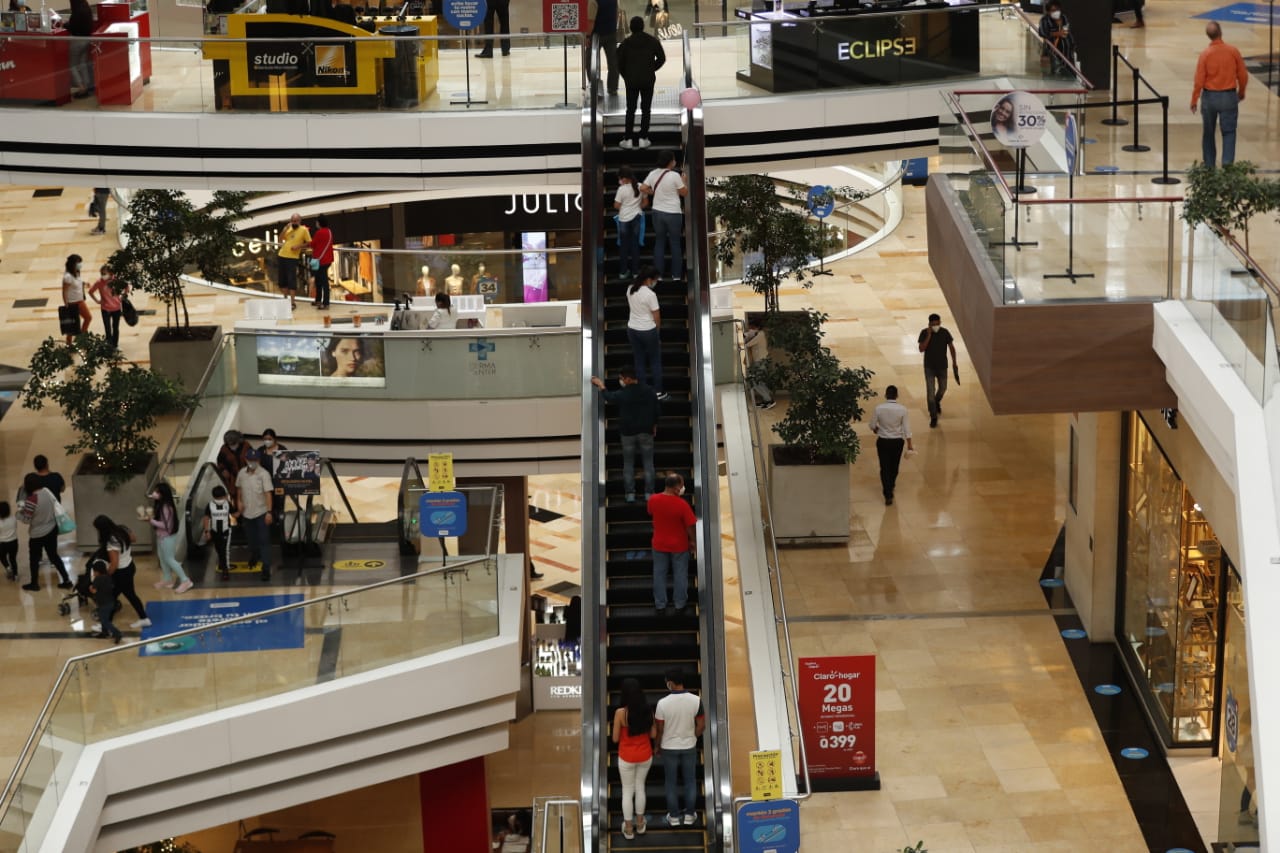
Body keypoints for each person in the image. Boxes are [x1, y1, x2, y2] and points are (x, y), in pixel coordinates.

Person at [591, 367, 660, 502]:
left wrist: (601, 385)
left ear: (628, 379)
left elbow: (609, 397)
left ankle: (630, 494)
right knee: (648, 463)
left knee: (628, 463)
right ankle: (649, 493)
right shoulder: (649, 391)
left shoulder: (623, 393)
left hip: (627, 433)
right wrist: (654, 424)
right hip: (646, 431)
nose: (621, 381)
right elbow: (657, 410)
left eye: (622, 378)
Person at [1191, 22, 1249, 168]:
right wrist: (1241, 92)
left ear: (1208, 36)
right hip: (1229, 96)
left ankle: (1210, 166)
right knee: (1229, 132)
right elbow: (1242, 75)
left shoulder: (1205, 54)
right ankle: (1227, 165)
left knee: (1208, 132)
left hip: (1210, 98)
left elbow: (1199, 80)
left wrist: (1194, 99)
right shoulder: (1233, 51)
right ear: (1221, 32)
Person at [654, 669, 704, 827]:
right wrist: (692, 736)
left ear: (671, 683)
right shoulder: (696, 700)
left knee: (671, 783)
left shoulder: (662, 703)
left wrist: (657, 746)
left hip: (669, 747)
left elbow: (660, 729)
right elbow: (701, 725)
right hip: (689, 745)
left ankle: (674, 817)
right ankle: (690, 815)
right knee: (690, 781)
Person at [612, 677, 655, 839]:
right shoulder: (648, 710)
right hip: (645, 755)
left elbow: (615, 739)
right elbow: (653, 734)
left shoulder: (620, 713)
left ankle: (629, 829)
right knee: (640, 788)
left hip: (626, 757)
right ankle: (640, 824)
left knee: (627, 791)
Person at [647, 472, 696, 612]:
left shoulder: (653, 500)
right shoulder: (682, 505)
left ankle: (660, 603)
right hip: (679, 546)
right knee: (680, 574)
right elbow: (689, 526)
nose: (682, 488)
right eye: (681, 486)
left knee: (659, 574)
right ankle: (680, 603)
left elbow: (650, 512)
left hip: (659, 544)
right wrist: (693, 542)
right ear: (676, 488)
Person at [92, 515, 151, 628]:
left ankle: (105, 624)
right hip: (129, 565)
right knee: (114, 596)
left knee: (118, 596)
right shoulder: (122, 529)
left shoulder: (111, 542)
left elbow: (114, 564)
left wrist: (106, 575)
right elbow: (134, 538)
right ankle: (106, 623)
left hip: (121, 572)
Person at [17, 473, 72, 592]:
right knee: (54, 556)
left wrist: (19, 513)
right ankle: (67, 580)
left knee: (34, 559)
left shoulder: (32, 500)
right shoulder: (47, 492)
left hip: (37, 534)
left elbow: (26, 520)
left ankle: (34, 584)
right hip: (52, 529)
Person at [617, 16, 665, 149]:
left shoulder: (626, 43)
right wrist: (651, 68)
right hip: (648, 80)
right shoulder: (652, 41)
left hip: (631, 80)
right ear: (643, 26)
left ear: (631, 28)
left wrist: (626, 75)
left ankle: (628, 139)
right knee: (646, 109)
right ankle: (643, 137)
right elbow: (662, 58)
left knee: (630, 109)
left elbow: (619, 63)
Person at [640, 150, 687, 281]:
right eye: (674, 160)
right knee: (675, 244)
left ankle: (658, 276)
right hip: (673, 214)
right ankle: (676, 275)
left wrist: (654, 191)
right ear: (670, 162)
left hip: (657, 213)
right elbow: (684, 193)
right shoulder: (675, 176)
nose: (675, 162)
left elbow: (642, 188)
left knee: (659, 243)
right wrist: (684, 180)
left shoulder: (653, 174)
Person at [626, 267, 666, 400]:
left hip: (632, 329)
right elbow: (657, 317)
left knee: (639, 360)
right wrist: (657, 333)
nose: (655, 282)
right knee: (655, 361)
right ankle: (658, 391)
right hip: (648, 330)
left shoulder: (630, 289)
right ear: (649, 279)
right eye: (655, 280)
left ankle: (642, 391)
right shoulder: (650, 295)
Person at [870, 385, 914, 506]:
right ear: (896, 396)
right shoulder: (902, 409)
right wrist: (910, 444)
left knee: (884, 467)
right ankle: (891, 485)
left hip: (883, 441)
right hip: (897, 442)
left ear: (885, 395)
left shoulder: (878, 408)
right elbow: (906, 428)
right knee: (894, 466)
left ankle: (887, 493)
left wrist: (877, 430)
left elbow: (872, 425)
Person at [237, 447, 275, 583]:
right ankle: (255, 554)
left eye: (255, 460)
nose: (252, 462)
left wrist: (269, 512)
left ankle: (266, 568)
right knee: (251, 539)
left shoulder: (264, 474)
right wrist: (238, 502)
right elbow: (239, 489)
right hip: (247, 514)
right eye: (250, 460)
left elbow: (268, 494)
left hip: (261, 512)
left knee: (264, 541)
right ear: (246, 460)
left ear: (258, 460)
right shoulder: (241, 473)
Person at [149, 482, 193, 593]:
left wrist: (151, 521)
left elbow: (166, 526)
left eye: (157, 492)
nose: (154, 493)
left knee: (169, 559)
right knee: (162, 558)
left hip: (167, 537)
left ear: (163, 494)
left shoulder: (166, 508)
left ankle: (185, 580)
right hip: (161, 537)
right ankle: (167, 579)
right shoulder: (161, 506)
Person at [917, 313, 957, 429]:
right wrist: (929, 336)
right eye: (934, 324)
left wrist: (954, 362)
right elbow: (921, 349)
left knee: (943, 388)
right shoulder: (924, 332)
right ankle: (933, 416)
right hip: (929, 367)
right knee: (930, 393)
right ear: (929, 324)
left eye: (938, 323)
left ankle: (936, 401)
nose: (936, 326)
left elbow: (951, 347)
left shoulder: (945, 332)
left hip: (942, 366)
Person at [614, 165, 645, 280]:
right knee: (635, 245)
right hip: (637, 217)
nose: (620, 180)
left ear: (625, 178)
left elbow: (616, 205)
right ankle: (636, 272)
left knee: (624, 247)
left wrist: (625, 206)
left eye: (621, 178)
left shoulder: (621, 189)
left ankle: (623, 272)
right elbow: (645, 203)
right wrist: (636, 207)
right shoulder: (641, 186)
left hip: (623, 220)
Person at [277, 213, 311, 309]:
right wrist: (284, 229)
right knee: (282, 280)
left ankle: (292, 302)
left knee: (291, 280)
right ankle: (285, 299)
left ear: (300, 221)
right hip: (282, 255)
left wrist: (298, 246)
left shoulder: (304, 230)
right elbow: (279, 241)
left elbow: (309, 242)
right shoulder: (288, 228)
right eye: (292, 221)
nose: (294, 222)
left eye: (296, 221)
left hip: (292, 258)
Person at [88, 264, 126, 348]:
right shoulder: (99, 282)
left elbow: (126, 287)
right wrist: (97, 301)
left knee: (115, 328)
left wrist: (122, 297)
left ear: (110, 273)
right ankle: (109, 346)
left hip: (116, 308)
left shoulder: (116, 280)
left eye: (104, 273)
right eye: (101, 273)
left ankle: (115, 345)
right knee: (107, 329)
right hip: (105, 309)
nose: (103, 275)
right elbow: (90, 291)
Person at [203, 485, 235, 582]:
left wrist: (241, 511)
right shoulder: (209, 505)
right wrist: (207, 531)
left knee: (224, 550)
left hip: (226, 530)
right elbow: (206, 518)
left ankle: (225, 570)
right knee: (218, 549)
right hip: (214, 531)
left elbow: (233, 514)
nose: (220, 499)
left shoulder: (228, 504)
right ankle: (222, 563)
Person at [588, 0, 620, 95]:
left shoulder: (593, 1)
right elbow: (617, 14)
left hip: (596, 35)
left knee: (591, 61)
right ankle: (613, 88)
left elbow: (591, 21)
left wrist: (587, 36)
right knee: (613, 62)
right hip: (611, 34)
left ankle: (595, 87)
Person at [743, 318, 775, 409]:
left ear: (755, 327)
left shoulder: (761, 335)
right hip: (759, 361)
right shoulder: (758, 334)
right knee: (759, 381)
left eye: (751, 328)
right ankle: (766, 400)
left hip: (761, 361)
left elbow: (748, 344)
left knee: (755, 381)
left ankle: (769, 400)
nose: (750, 329)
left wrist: (745, 338)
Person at [89, 558, 123, 644]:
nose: (93, 573)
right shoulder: (108, 577)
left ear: (97, 571)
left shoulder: (98, 579)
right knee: (103, 618)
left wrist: (90, 588)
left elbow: (93, 590)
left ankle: (117, 633)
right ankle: (104, 633)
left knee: (105, 621)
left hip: (103, 604)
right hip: (110, 602)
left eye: (94, 571)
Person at [1038, 1, 1075, 75]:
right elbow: (1042, 33)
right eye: (1053, 10)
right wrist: (1058, 33)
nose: (1056, 12)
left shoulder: (1063, 17)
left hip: (1067, 51)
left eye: (1057, 9)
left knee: (1070, 72)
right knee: (1056, 72)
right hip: (1054, 52)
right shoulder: (1045, 20)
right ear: (1048, 12)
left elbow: (1067, 29)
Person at [62, 253, 92, 345]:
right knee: (73, 324)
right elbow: (64, 291)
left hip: (80, 300)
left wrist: (84, 283)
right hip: (72, 303)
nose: (80, 264)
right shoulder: (67, 277)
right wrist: (66, 304)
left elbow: (77, 282)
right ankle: (69, 343)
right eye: (79, 262)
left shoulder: (77, 272)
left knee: (88, 318)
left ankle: (80, 339)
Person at [67, 0, 94, 99]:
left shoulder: (77, 12)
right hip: (87, 39)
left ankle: (81, 87)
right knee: (82, 64)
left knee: (72, 66)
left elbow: (72, 27)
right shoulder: (86, 7)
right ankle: (86, 87)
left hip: (77, 40)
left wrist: (65, 25)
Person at [310, 215, 335, 309]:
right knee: (319, 280)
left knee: (322, 282)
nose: (316, 223)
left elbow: (312, 245)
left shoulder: (319, 232)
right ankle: (318, 300)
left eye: (316, 222)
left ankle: (325, 303)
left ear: (319, 223)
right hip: (327, 260)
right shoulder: (329, 231)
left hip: (320, 261)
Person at [0, 501, 17, 581]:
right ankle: (16, 575)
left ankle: (8, 568)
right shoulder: (13, 518)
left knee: (2, 557)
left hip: (3, 543)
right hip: (14, 542)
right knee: (13, 558)